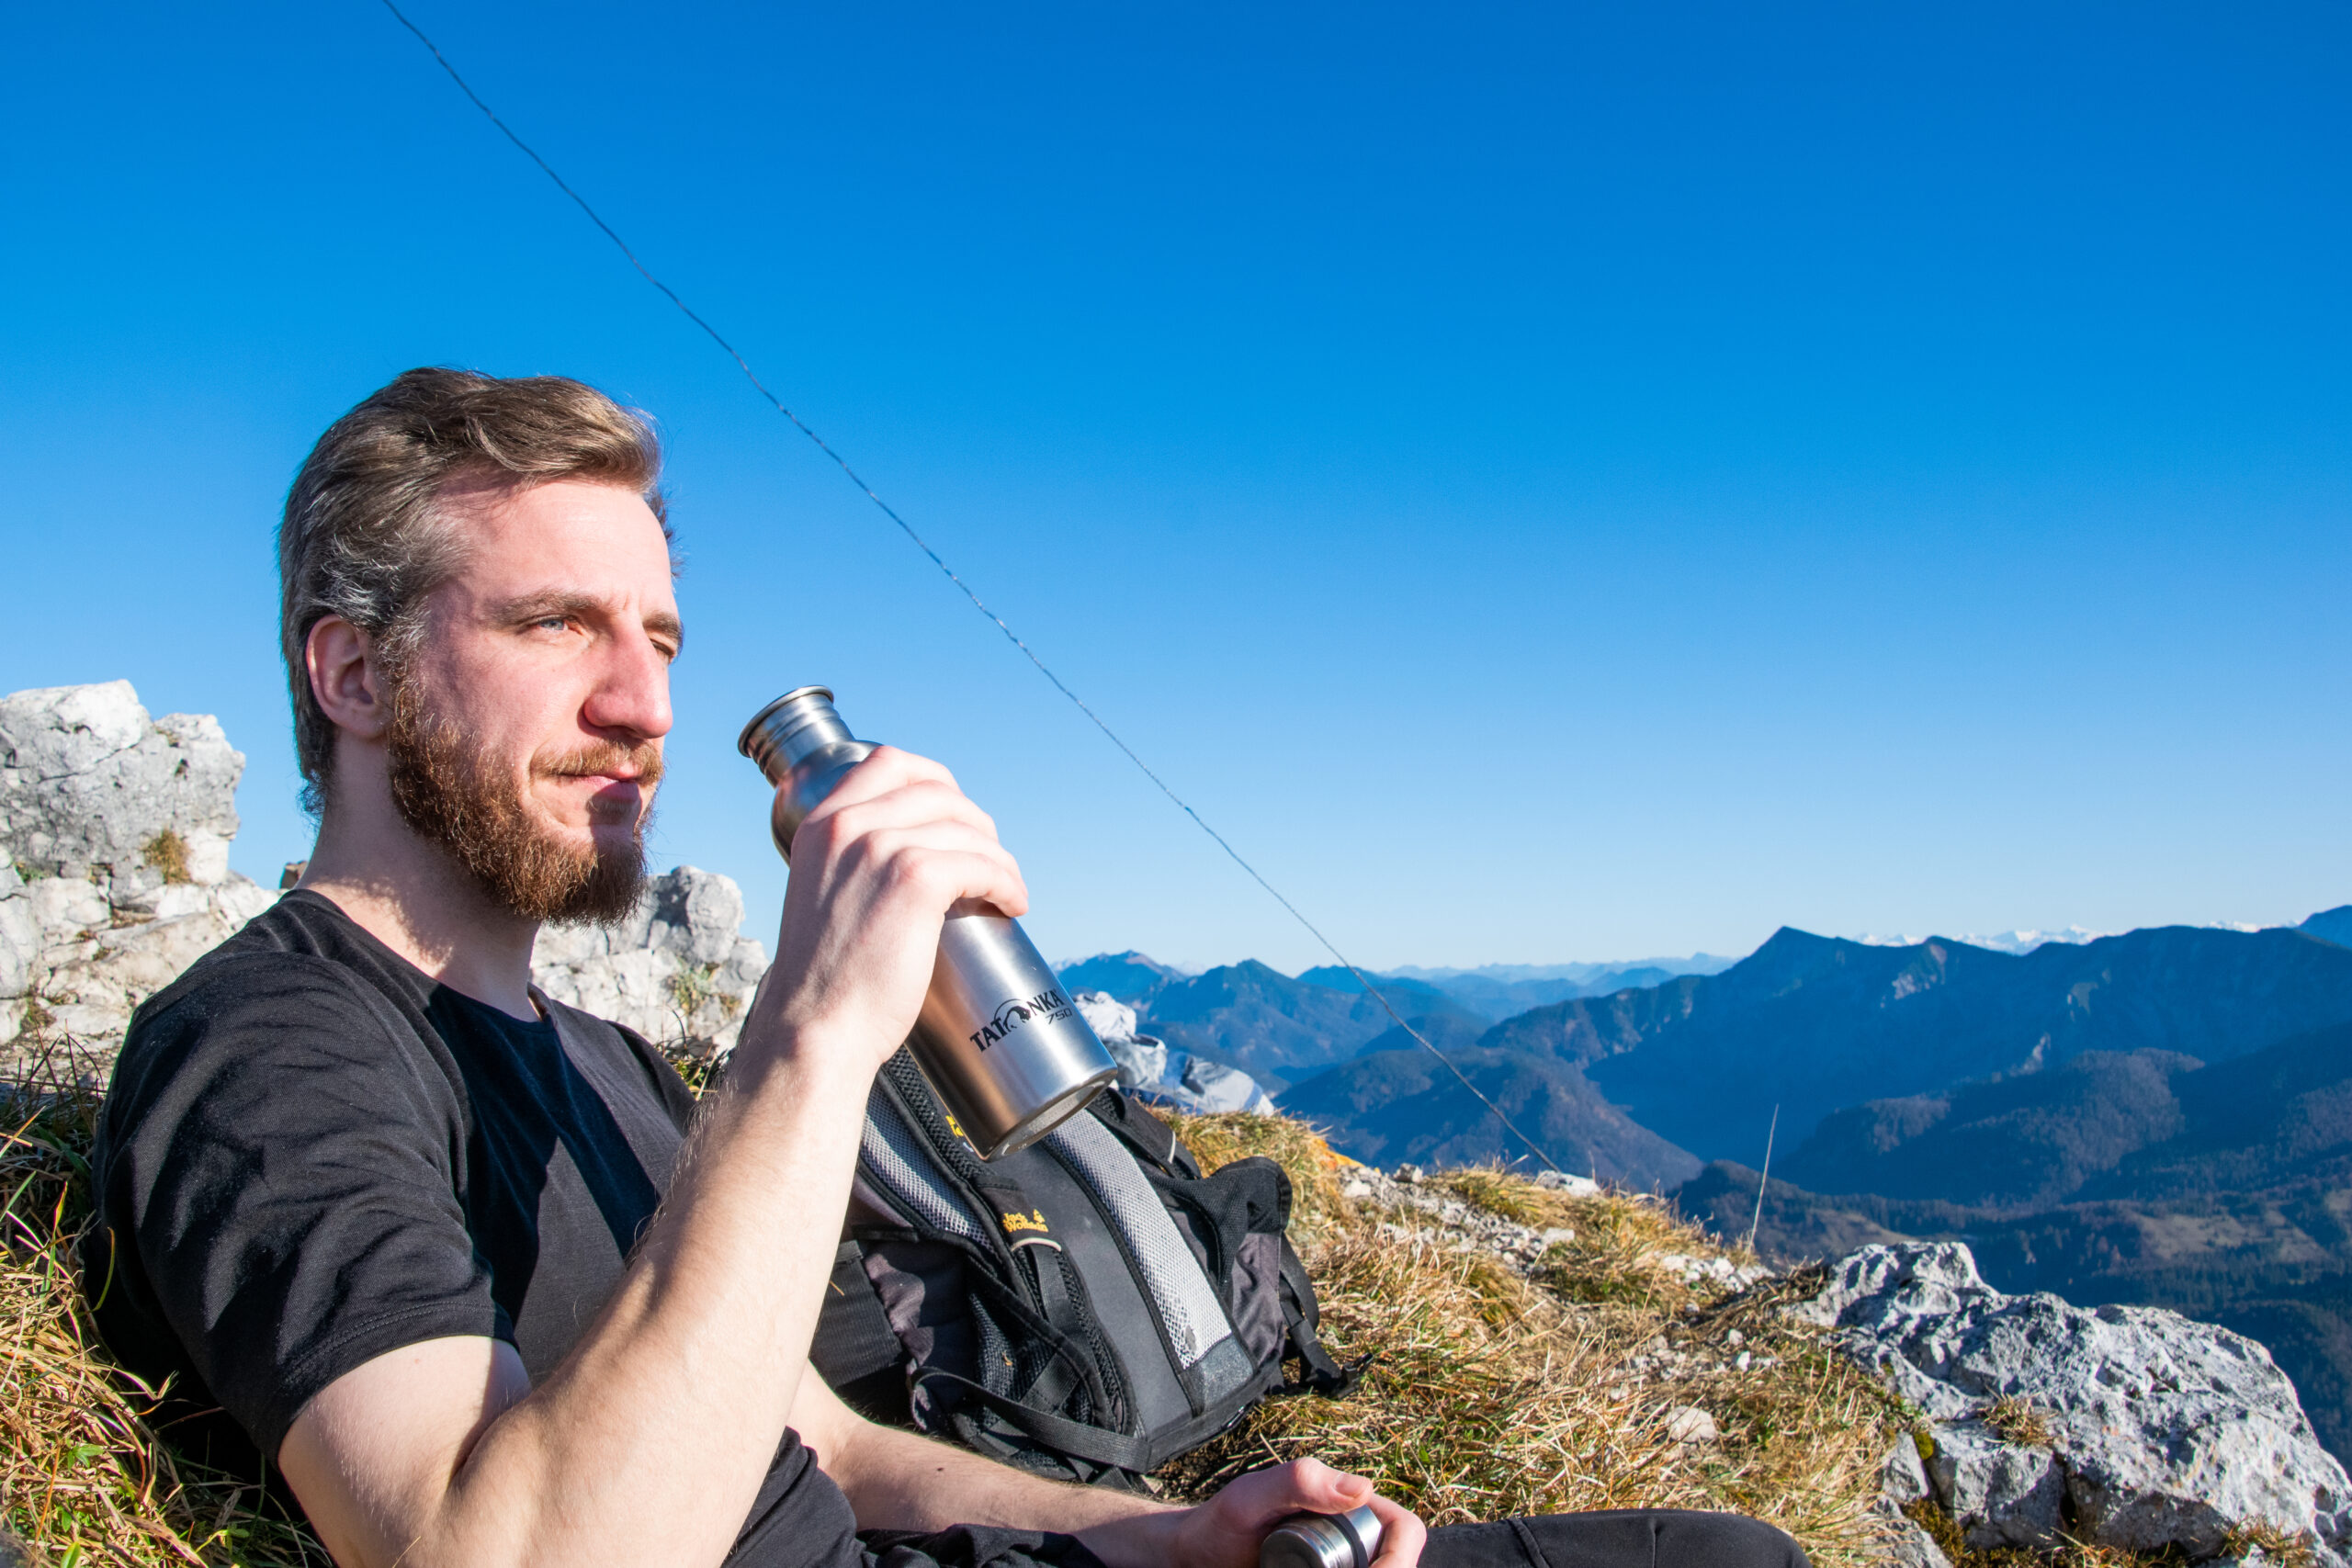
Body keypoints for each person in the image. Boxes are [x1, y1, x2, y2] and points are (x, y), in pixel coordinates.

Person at [87, 368, 1808, 1568]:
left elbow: (814, 1447)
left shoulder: (599, 1059)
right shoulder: (268, 1050)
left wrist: (1161, 1537)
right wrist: (817, 1031)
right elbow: (493, 1552)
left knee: (1726, 1553)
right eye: (556, 627)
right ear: (356, 675)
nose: (647, 706)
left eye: (660, 636)